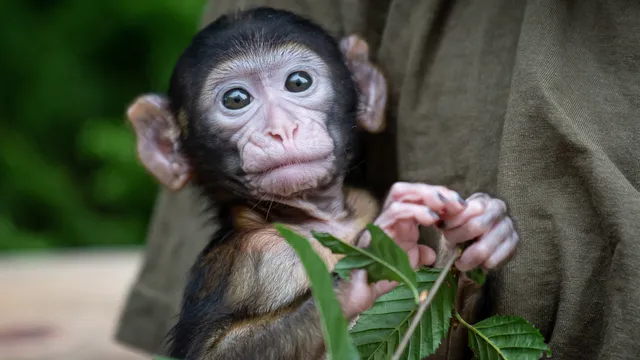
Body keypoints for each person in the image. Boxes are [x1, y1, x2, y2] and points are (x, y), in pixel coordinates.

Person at [115, 1, 640, 359]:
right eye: (236, 100)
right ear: (168, 147)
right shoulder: (258, 255)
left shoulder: (369, 208)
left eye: (298, 83)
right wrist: (338, 298)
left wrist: (467, 253)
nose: (281, 127)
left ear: (363, 91)